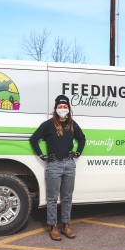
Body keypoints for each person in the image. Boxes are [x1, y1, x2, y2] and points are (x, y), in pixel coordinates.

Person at [30, 95, 86, 241]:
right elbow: (34, 139)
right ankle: (53, 227)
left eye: (65, 107)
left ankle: (66, 226)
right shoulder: (48, 125)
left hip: (69, 165)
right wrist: (42, 156)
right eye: (60, 107)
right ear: (56, 108)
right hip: (54, 165)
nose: (62, 109)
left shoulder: (72, 124)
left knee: (67, 198)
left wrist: (78, 152)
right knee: (52, 198)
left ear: (68, 108)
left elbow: (82, 138)